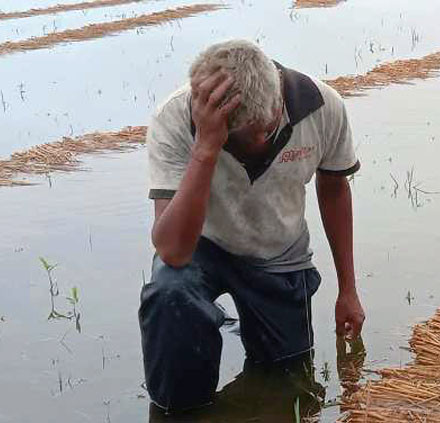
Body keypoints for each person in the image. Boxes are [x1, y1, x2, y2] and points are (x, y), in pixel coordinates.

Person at [138, 39, 365, 413]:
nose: (256, 145)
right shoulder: (176, 117)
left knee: (288, 378)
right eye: (240, 139)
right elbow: (173, 250)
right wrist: (207, 149)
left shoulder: (323, 107)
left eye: (264, 130)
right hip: (199, 246)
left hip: (278, 251)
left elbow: (334, 188)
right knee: (170, 296)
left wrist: (348, 290)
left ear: (278, 103)